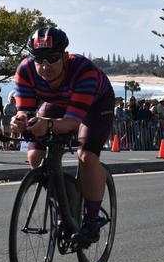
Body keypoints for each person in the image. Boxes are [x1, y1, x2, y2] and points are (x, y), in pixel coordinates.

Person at [11, 26, 115, 246]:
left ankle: (92, 219)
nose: (45, 66)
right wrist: (20, 121)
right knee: (35, 159)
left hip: (94, 107)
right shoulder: (25, 71)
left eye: (52, 58)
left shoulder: (83, 70)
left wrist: (47, 126)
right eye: (39, 59)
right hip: (55, 104)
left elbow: (73, 122)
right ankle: (64, 202)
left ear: (65, 57)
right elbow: (26, 112)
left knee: (86, 156)